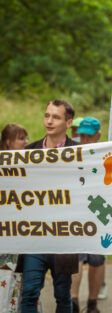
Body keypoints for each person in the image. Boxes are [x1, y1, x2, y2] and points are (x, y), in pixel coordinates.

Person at [17, 99, 79, 313]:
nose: (49, 121)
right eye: (47, 115)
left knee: (63, 295)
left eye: (56, 117)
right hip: (34, 236)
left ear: (68, 122)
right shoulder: (28, 151)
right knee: (29, 293)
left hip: (64, 236)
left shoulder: (80, 153)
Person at [71, 117, 104, 313]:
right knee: (77, 256)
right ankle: (73, 301)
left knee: (97, 259)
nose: (84, 139)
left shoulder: (107, 150)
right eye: (81, 135)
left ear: (98, 135)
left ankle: (92, 303)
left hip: (99, 207)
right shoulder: (71, 149)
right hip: (76, 206)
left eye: (88, 136)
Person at [0, 123, 29, 310]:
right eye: (21, 138)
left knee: (16, 278)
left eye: (26, 138)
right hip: (4, 234)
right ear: (8, 142)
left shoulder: (28, 163)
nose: (26, 142)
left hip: (19, 233)